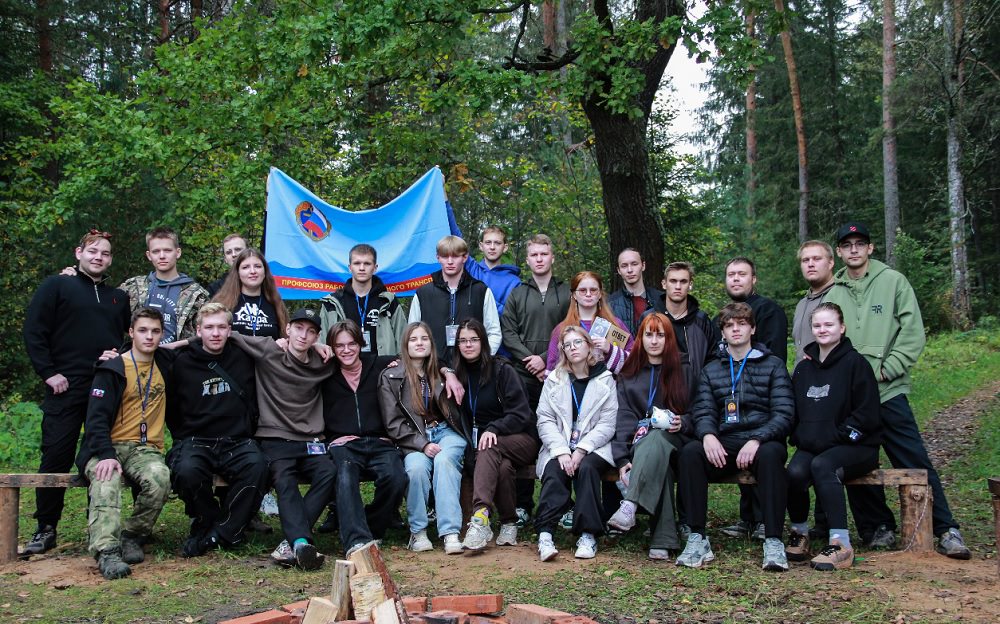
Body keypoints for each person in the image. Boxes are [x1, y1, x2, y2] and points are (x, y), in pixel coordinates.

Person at [824, 222, 970, 559]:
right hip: (852, 399)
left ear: (870, 248)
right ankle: (877, 528)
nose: (854, 249)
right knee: (855, 460)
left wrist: (889, 368)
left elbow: (912, 331)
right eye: (847, 245)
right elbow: (829, 338)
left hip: (888, 391)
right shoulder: (834, 292)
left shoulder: (893, 281)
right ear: (840, 252)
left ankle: (946, 528)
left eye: (860, 243)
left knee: (913, 458)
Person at [22, 229, 131, 555]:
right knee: (56, 454)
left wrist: (117, 354)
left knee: (97, 457)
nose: (99, 257)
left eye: (105, 253)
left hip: (104, 387)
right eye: (93, 251)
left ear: (110, 259)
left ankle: (97, 526)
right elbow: (34, 331)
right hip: (65, 386)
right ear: (78, 253)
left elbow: (127, 338)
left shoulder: (118, 297)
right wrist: (48, 372)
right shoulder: (57, 286)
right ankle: (46, 527)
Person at [676, 303, 793, 571]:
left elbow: (784, 413)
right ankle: (697, 537)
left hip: (762, 441)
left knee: (772, 455)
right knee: (691, 453)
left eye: (741, 324)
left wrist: (757, 439)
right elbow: (703, 410)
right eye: (729, 325)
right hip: (726, 440)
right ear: (723, 333)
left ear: (753, 329)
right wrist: (707, 435)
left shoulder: (773, 365)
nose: (736, 329)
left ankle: (773, 540)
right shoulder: (712, 369)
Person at [227, 308, 336, 570]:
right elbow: (225, 333)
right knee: (285, 480)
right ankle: (300, 541)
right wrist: (165, 347)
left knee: (330, 472)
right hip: (275, 437)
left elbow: (355, 357)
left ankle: (291, 543)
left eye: (311, 332)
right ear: (287, 329)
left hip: (311, 440)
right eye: (298, 328)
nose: (303, 335)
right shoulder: (269, 350)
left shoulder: (322, 361)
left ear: (317, 337)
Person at [75, 308, 173, 580]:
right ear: (131, 333)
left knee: (160, 477)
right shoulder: (112, 368)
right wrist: (106, 454)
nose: (149, 336)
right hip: (107, 446)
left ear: (162, 335)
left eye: (155, 331)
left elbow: (201, 342)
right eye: (143, 330)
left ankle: (133, 535)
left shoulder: (166, 363)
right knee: (106, 479)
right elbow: (95, 419)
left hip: (144, 449)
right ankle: (107, 551)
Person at [165, 303, 270, 557]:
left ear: (229, 330)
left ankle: (221, 532)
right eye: (209, 327)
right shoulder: (181, 362)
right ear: (198, 331)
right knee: (187, 471)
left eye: (221, 327)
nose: (215, 333)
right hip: (196, 438)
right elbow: (171, 406)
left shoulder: (243, 357)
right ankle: (208, 521)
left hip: (237, 439)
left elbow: (279, 349)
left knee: (258, 467)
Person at [785, 303, 882, 571]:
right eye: (817, 325)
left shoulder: (856, 364)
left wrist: (839, 435)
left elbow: (868, 414)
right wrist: (800, 435)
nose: (822, 330)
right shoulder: (803, 369)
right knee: (794, 472)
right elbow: (794, 412)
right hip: (814, 444)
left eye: (829, 324)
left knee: (823, 465)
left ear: (842, 328)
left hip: (856, 446)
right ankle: (800, 532)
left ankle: (840, 544)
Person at [380, 322, 469, 554]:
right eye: (413, 339)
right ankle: (418, 532)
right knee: (416, 469)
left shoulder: (441, 373)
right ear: (405, 345)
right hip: (413, 438)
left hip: (446, 432)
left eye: (424, 339)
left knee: (445, 461)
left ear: (431, 343)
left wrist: (449, 373)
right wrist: (423, 444)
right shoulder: (391, 376)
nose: (419, 343)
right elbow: (393, 423)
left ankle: (450, 532)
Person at [500, 233, 570, 523]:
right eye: (534, 255)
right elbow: (508, 331)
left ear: (552, 257)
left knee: (562, 435)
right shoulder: (518, 293)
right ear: (527, 260)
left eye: (544, 254)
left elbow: (571, 328)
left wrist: (546, 359)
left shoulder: (566, 292)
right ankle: (522, 503)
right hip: (523, 376)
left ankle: (564, 503)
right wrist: (531, 360)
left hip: (560, 374)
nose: (539, 259)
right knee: (525, 436)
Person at [322, 319, 408, 555]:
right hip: (343, 444)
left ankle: (373, 527)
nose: (346, 350)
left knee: (396, 477)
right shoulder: (325, 370)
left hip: (380, 441)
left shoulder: (377, 365)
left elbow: (419, 358)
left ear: (360, 344)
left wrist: (447, 371)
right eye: (339, 345)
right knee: (345, 476)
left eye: (352, 344)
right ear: (332, 347)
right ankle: (356, 541)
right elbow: (298, 359)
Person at [607, 313, 690, 559]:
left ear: (669, 338)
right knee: (656, 455)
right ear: (640, 338)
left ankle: (630, 504)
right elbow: (623, 418)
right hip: (640, 446)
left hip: (678, 441)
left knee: (657, 439)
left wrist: (684, 422)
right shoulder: (629, 373)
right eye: (648, 335)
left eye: (660, 335)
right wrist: (622, 459)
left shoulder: (684, 369)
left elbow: (701, 408)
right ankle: (662, 540)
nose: (654, 341)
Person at [717, 256, 788, 541]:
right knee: (740, 452)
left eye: (742, 274)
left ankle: (763, 520)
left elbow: (774, 355)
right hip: (733, 399)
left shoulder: (770, 311)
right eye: (731, 274)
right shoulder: (724, 315)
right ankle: (748, 518)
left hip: (763, 399)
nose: (735, 279)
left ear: (753, 279)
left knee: (762, 456)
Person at [534, 326, 618, 561]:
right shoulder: (554, 379)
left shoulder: (605, 379)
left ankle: (587, 535)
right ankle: (545, 534)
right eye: (567, 345)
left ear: (589, 346)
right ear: (563, 351)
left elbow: (608, 424)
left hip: (594, 445)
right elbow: (545, 419)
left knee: (588, 469)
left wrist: (581, 450)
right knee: (554, 470)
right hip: (559, 443)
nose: (573, 348)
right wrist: (561, 451)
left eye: (578, 342)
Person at [454, 319, 538, 551]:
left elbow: (522, 414)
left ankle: (480, 517)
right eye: (463, 341)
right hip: (487, 446)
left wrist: (495, 428)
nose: (468, 345)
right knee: (502, 467)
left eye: (474, 340)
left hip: (521, 438)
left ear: (483, 342)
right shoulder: (459, 374)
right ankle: (509, 523)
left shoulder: (502, 370)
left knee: (489, 446)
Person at [408, 235, 501, 363]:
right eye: (445, 256)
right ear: (438, 258)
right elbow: (412, 334)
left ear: (465, 257)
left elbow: (494, 332)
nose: (450, 261)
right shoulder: (423, 293)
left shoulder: (480, 291)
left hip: (471, 368)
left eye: (455, 256)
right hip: (433, 369)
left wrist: (481, 360)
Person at [121, 226, 209, 344]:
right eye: (156, 251)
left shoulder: (196, 295)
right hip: (139, 354)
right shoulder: (133, 287)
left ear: (178, 252)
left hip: (178, 354)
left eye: (167, 250)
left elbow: (206, 333)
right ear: (149, 255)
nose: (162, 256)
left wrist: (178, 345)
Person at [319, 244, 406, 356]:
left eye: (367, 263)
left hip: (382, 365)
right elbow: (322, 345)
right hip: (342, 366)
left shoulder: (388, 301)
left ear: (375, 268)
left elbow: (403, 340)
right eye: (357, 263)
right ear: (350, 267)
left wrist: (399, 364)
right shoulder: (333, 303)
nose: (361, 268)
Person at [545, 271, 633, 374]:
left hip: (609, 383)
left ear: (600, 294)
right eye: (582, 290)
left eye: (593, 290)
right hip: (573, 383)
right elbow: (551, 370)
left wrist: (610, 349)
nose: (588, 294)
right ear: (574, 295)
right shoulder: (561, 329)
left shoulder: (615, 324)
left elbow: (633, 360)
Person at [660, 262, 719, 398]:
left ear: (690, 285)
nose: (678, 286)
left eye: (683, 281)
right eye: (673, 281)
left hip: (695, 395)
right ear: (664, 284)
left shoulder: (701, 321)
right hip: (657, 392)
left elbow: (713, 360)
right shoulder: (650, 318)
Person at [212, 248, 289, 339]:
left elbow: (286, 337)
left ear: (265, 272)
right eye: (245, 267)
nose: (253, 271)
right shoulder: (222, 303)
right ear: (238, 273)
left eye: (257, 266)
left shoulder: (276, 303)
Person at [463, 226, 522, 319]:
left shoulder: (514, 282)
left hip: (499, 328)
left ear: (505, 247)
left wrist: (484, 300)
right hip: (470, 327)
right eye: (488, 242)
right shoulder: (472, 269)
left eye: (497, 243)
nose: (492, 247)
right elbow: (456, 238)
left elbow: (512, 315)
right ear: (481, 246)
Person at [792, 241, 836, 365]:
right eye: (805, 260)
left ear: (830, 263)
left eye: (817, 259)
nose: (810, 264)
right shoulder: (801, 304)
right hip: (802, 374)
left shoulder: (841, 296)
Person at [607, 248, 665, 337]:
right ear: (619, 270)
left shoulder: (661, 299)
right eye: (624, 266)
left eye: (634, 264)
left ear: (643, 266)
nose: (630, 270)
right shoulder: (609, 304)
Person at [206, 233, 248, 297]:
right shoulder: (214, 289)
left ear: (249, 252)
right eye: (229, 252)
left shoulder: (261, 281)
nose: (234, 254)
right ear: (225, 259)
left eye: (238, 249)